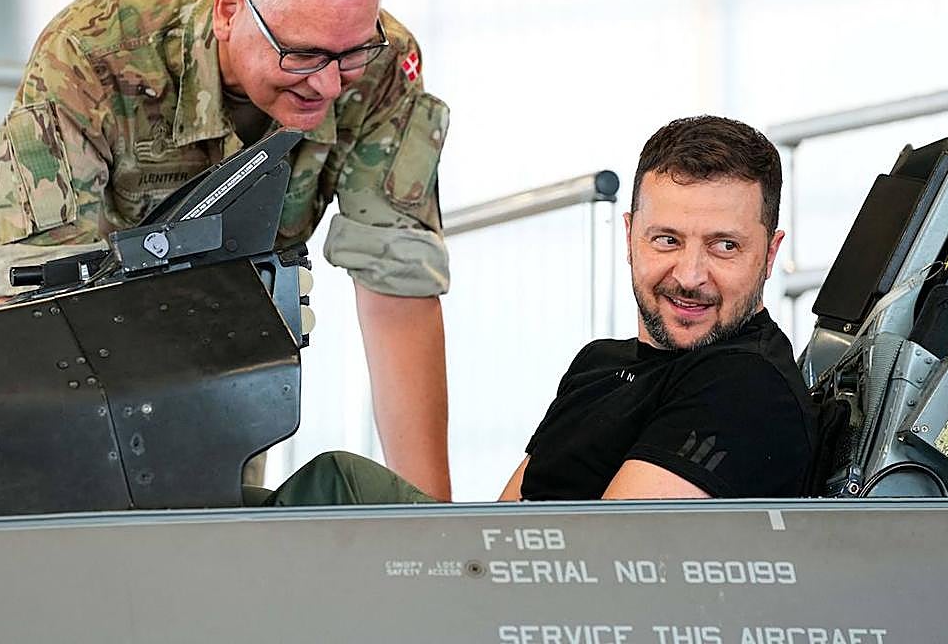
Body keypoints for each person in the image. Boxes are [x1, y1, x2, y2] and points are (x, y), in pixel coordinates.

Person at [0, 0, 453, 500]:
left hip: (224, 315)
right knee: (71, 501)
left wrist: (430, 532)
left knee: (221, 518)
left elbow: (396, 285)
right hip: (54, 297)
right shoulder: (96, 55)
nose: (327, 83)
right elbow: (39, 308)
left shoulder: (380, 66)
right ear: (229, 11)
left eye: (349, 55)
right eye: (302, 54)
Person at [253, 116, 817, 505]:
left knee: (335, 486)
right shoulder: (599, 365)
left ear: (769, 254)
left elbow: (609, 562)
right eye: (666, 240)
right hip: (498, 597)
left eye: (725, 246)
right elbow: (505, 523)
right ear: (629, 237)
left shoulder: (747, 385)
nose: (691, 276)